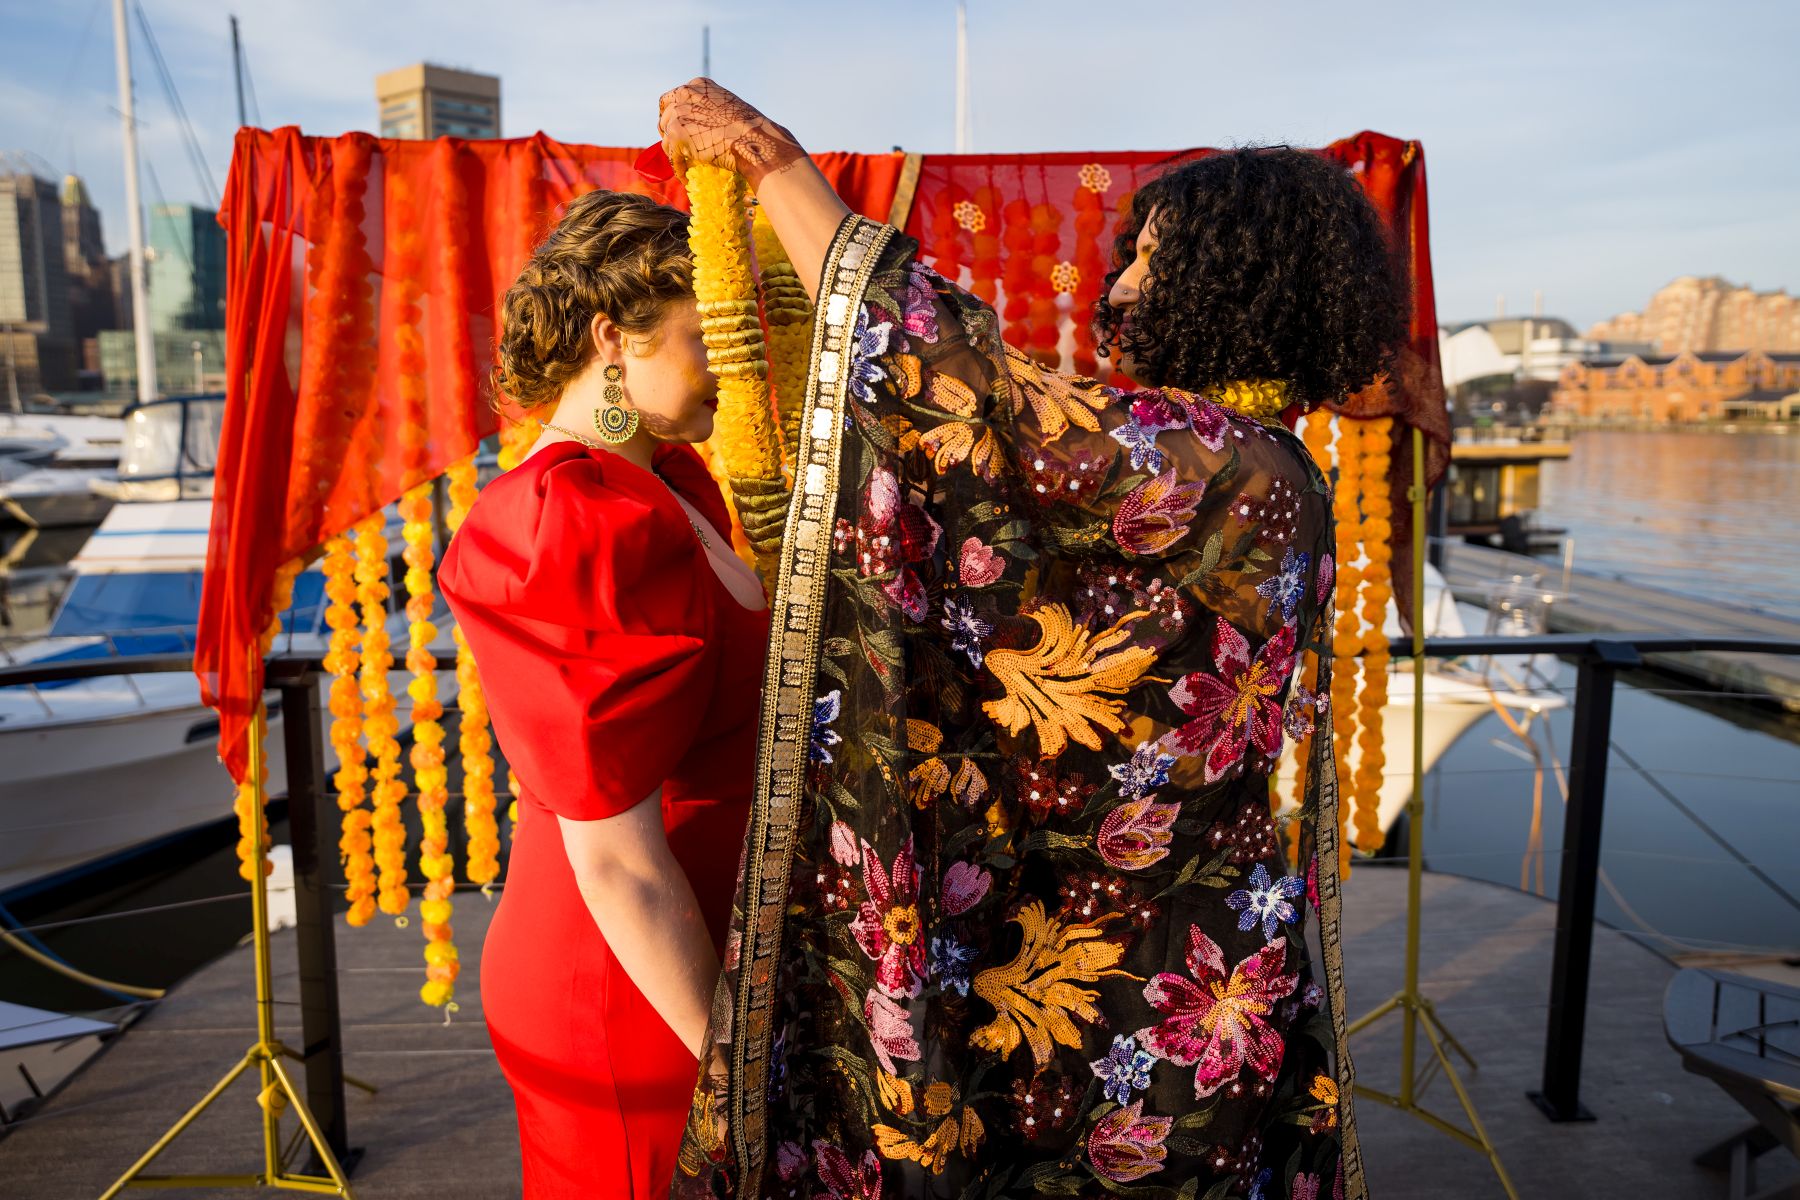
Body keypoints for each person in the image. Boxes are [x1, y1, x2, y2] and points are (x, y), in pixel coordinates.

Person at [657, 81, 1407, 1200]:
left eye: (1153, 258)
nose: (1123, 285)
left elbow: (970, 396)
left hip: (1148, 993)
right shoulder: (1262, 465)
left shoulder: (1224, 465)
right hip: (1144, 959)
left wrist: (775, 168)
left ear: (1234, 283)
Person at [437, 189, 769, 1198]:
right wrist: (737, 1077)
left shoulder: (668, 479)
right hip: (628, 981)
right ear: (610, 337)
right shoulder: (570, 518)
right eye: (706, 333)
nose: (734, 361)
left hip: (692, 937)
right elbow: (616, 859)